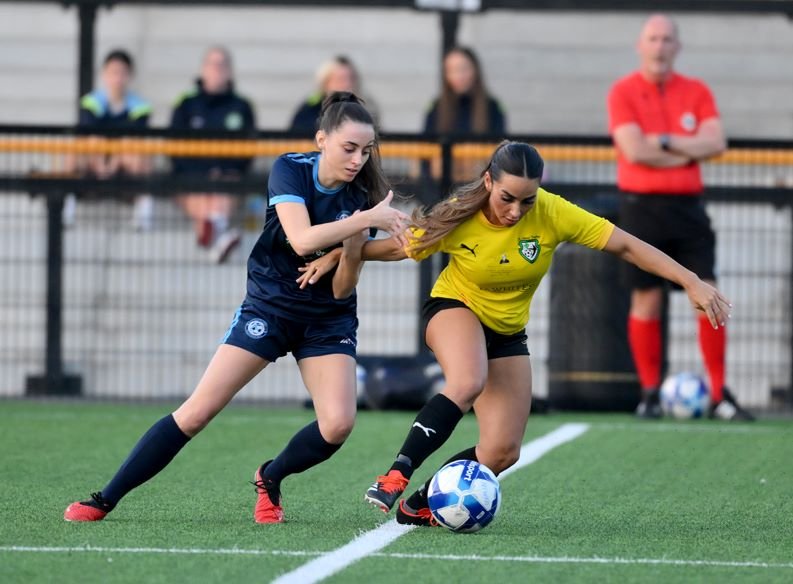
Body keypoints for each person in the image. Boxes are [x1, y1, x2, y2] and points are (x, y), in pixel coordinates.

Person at [312, 140, 729, 527]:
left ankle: (422, 500)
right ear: (489, 181)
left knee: (502, 451)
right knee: (467, 381)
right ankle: (396, 474)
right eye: (507, 198)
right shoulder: (461, 212)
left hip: (507, 331)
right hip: (454, 308)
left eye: (526, 200)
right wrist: (340, 251)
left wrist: (690, 279)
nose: (515, 210)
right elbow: (393, 249)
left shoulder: (553, 212)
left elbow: (626, 246)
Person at [63, 92, 410, 524]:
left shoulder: (361, 197)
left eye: (366, 150)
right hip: (269, 308)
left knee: (337, 425)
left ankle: (271, 475)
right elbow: (301, 239)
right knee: (197, 412)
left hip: (327, 319)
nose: (359, 159)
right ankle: (104, 498)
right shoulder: (291, 169)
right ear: (321, 139)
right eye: (349, 148)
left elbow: (342, 290)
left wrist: (348, 251)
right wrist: (362, 223)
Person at [607, 14, 753, 421]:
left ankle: (719, 394)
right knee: (646, 300)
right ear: (641, 45)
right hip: (641, 208)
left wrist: (666, 141)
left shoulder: (697, 91)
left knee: (709, 295)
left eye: (667, 39)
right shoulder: (623, 92)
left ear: (678, 46)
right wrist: (689, 148)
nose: (659, 46)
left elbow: (716, 142)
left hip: (688, 209)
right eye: (653, 38)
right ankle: (650, 393)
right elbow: (634, 150)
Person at [170, 46, 257, 263]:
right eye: (212, 64)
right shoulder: (185, 104)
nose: (217, 69)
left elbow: (248, 149)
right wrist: (203, 172)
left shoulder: (242, 106)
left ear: (230, 71)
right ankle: (219, 233)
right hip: (191, 178)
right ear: (203, 69)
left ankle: (211, 229)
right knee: (199, 190)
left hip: (227, 177)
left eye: (222, 64)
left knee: (222, 188)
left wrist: (223, 170)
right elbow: (174, 145)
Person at [65, 49, 154, 230]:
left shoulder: (140, 107)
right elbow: (90, 135)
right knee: (77, 148)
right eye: (113, 72)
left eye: (122, 73)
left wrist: (114, 162)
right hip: (94, 164)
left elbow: (132, 138)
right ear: (104, 74)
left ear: (130, 76)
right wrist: (100, 161)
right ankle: (66, 206)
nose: (117, 78)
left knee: (137, 149)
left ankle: (143, 211)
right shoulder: (91, 102)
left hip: (124, 167)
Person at [423, 46, 506, 137]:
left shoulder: (493, 107)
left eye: (463, 69)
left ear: (475, 70)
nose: (458, 76)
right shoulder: (436, 107)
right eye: (451, 70)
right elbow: (426, 145)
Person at [289, 55, 372, 134]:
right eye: (341, 79)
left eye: (351, 79)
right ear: (326, 82)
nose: (347, 84)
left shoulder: (366, 107)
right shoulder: (311, 108)